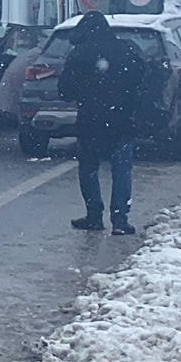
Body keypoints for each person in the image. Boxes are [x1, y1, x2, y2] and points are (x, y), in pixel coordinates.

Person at [58, 12, 144, 236]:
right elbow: (143, 82)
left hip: (90, 120)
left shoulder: (79, 54)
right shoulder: (127, 51)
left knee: (89, 169)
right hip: (123, 119)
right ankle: (120, 220)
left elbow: (65, 91)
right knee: (122, 170)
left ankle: (94, 215)